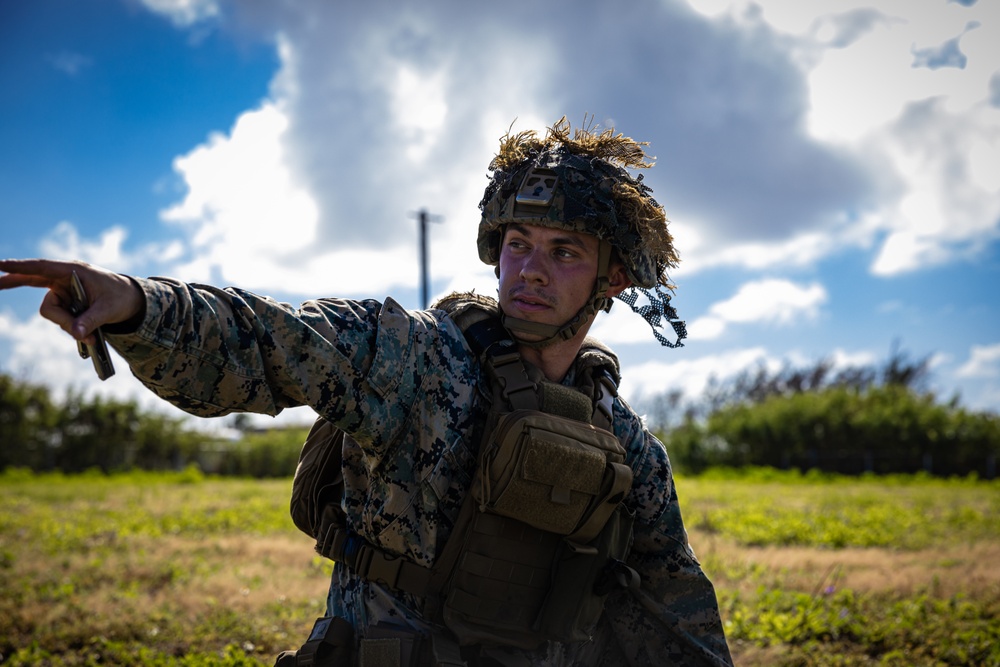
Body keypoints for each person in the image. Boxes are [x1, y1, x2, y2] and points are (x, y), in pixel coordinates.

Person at [0, 118, 733, 667]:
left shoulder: (624, 441)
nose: (530, 270)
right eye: (518, 243)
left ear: (612, 282)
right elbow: (265, 337)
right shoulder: (412, 356)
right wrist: (134, 303)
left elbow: (674, 603)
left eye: (564, 251)